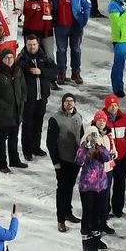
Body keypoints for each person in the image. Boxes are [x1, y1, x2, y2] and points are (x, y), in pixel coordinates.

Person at [47, 93, 84, 232]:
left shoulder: (78, 116)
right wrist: (55, 161)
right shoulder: (55, 119)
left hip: (75, 160)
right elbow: (50, 142)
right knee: (62, 190)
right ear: (62, 103)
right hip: (62, 160)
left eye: (71, 101)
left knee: (69, 187)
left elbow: (82, 136)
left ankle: (68, 212)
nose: (69, 103)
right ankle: (60, 219)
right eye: (66, 101)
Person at [0, 47, 29, 173]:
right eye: (6, 58)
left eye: (11, 57)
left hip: (17, 111)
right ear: (2, 59)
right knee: (1, 139)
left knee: (14, 137)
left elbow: (23, 87)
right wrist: (4, 105)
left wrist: (22, 100)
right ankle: (1, 164)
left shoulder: (17, 71)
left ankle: (14, 160)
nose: (9, 60)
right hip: (4, 113)